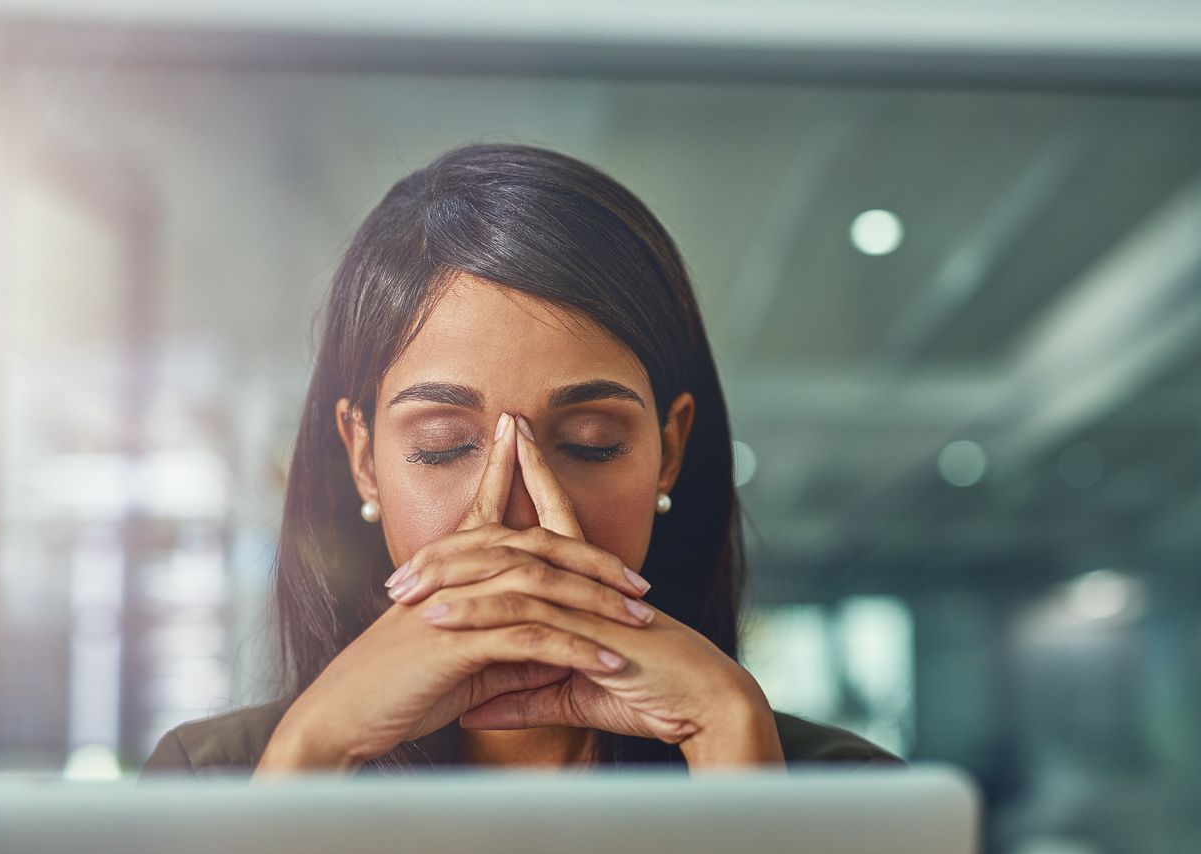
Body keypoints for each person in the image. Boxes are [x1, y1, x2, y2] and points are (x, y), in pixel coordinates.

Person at [141, 142, 902, 777]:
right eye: (443, 446)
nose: (520, 512)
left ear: (669, 452)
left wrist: (731, 737)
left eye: (589, 443)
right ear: (364, 459)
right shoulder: (217, 778)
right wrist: (313, 751)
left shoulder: (842, 789)